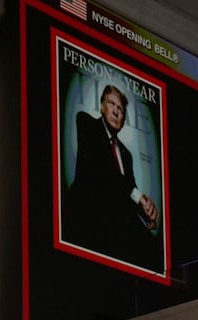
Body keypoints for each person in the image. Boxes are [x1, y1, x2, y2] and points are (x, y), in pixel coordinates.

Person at [63, 83, 164, 273]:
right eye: (111, 104)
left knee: (154, 252)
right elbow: (105, 171)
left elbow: (129, 193)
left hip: (117, 226)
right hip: (88, 217)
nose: (116, 112)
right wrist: (138, 197)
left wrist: (146, 212)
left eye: (120, 109)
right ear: (102, 106)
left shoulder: (126, 154)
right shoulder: (86, 123)